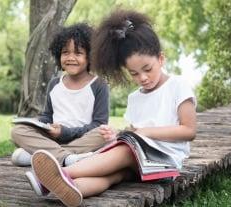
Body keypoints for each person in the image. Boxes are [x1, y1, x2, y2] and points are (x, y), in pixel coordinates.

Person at [29, 9, 197, 207]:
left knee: (125, 152)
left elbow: (189, 130)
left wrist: (144, 132)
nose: (142, 78)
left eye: (148, 69)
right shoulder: (136, 97)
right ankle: (67, 187)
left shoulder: (178, 86)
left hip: (164, 162)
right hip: (139, 160)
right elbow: (135, 133)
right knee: (112, 176)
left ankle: (60, 174)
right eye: (134, 73)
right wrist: (117, 136)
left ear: (161, 59)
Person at [10, 23, 109, 168]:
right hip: (53, 140)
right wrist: (39, 124)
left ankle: (43, 156)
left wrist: (65, 132)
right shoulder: (55, 84)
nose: (71, 58)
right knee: (17, 131)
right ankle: (67, 158)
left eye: (78, 53)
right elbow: (47, 116)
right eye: (65, 52)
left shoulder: (99, 85)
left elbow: (99, 124)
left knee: (103, 134)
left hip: (82, 140)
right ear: (59, 55)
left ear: (90, 57)